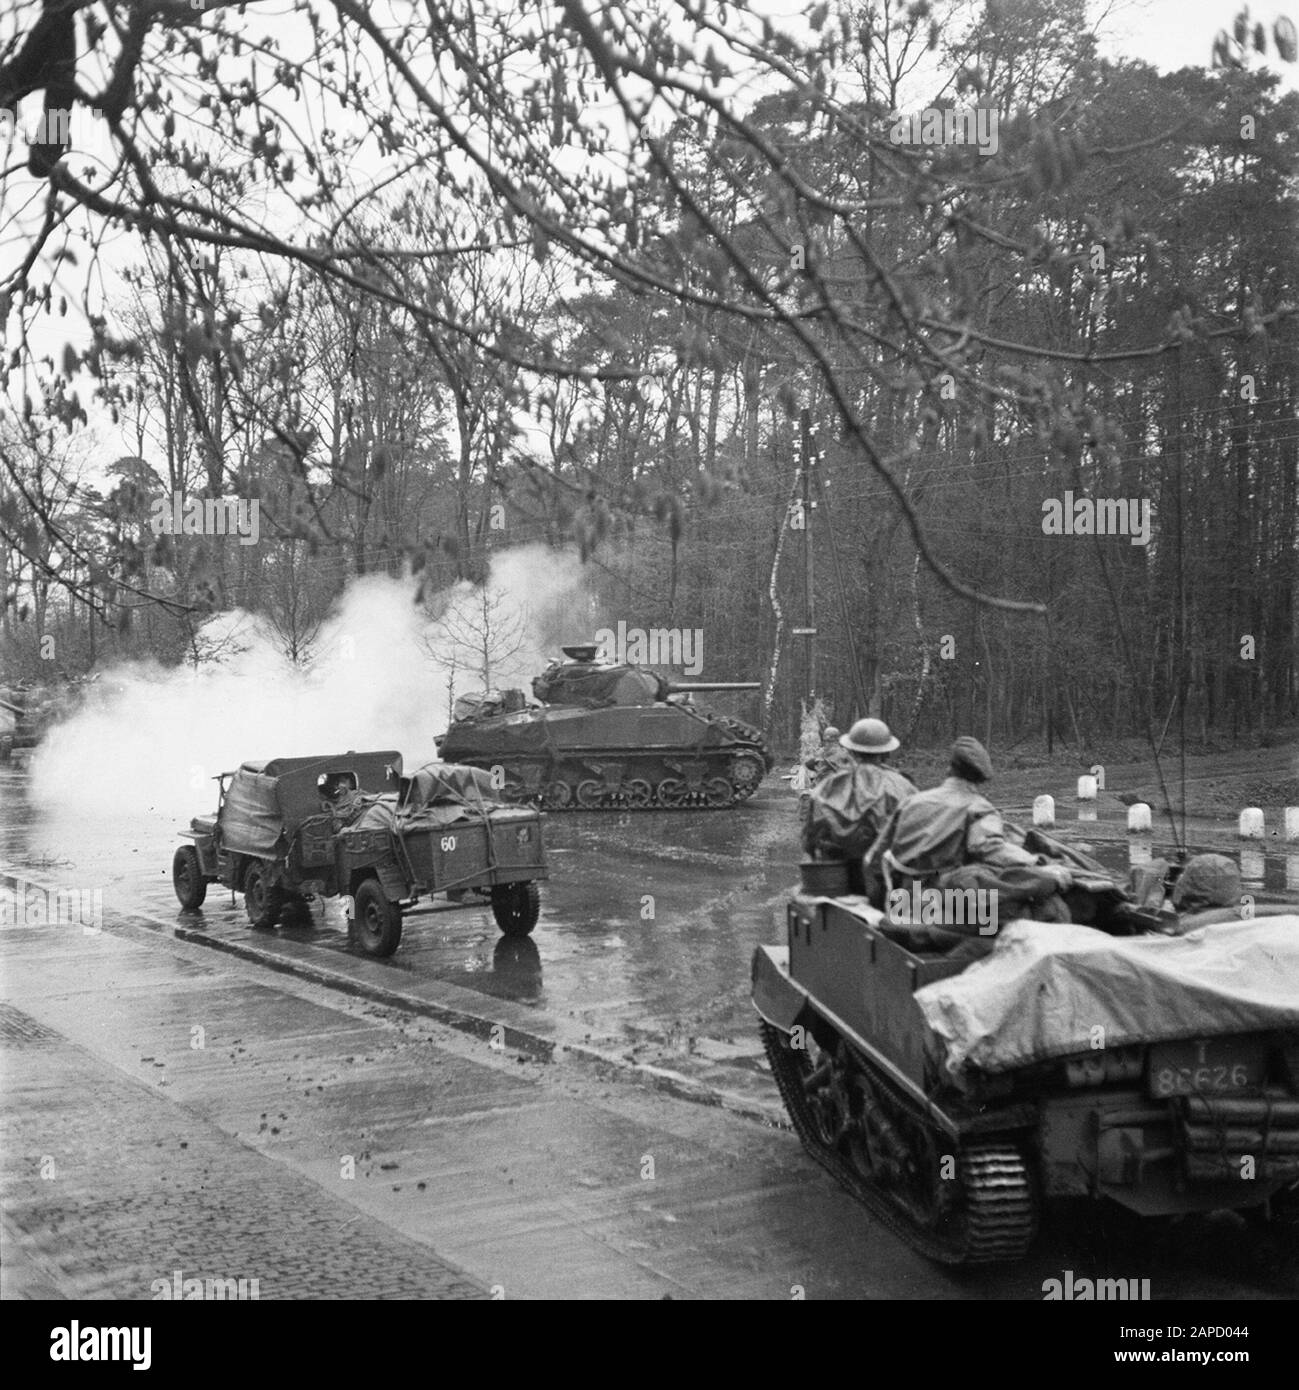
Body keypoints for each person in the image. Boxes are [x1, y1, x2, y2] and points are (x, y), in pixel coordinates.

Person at [873, 735, 1073, 922]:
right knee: (1039, 910)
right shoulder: (978, 806)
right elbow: (988, 847)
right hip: (944, 905)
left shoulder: (911, 801)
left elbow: (875, 857)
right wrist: (1037, 864)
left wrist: (882, 901)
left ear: (949, 770)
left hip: (902, 901)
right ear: (980, 780)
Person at [802, 718, 917, 892]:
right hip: (888, 877)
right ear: (886, 753)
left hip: (837, 876)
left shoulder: (828, 786)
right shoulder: (904, 787)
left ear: (852, 750)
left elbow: (811, 835)